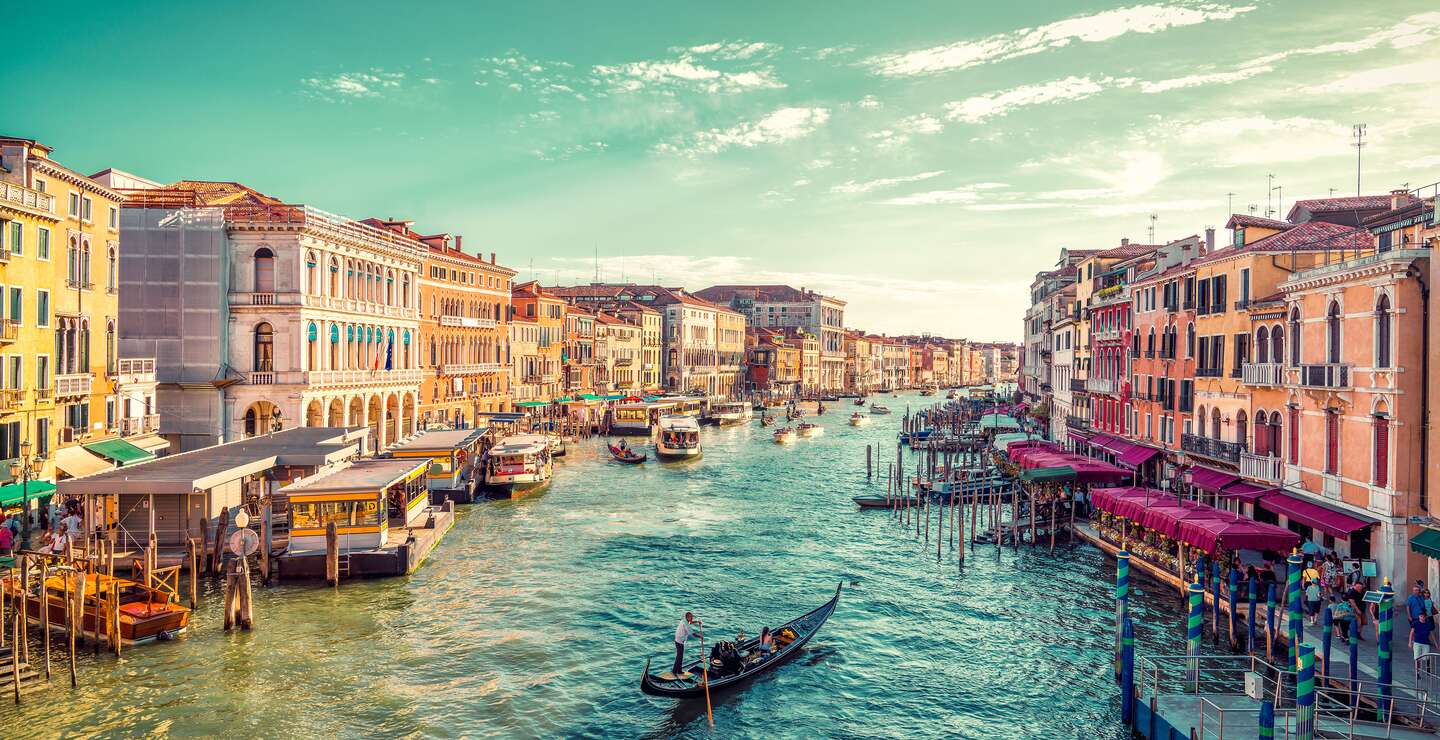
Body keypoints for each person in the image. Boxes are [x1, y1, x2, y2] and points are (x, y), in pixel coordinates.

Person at [673, 612, 702, 676]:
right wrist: (700, 636)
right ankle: (677, 671)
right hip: (679, 641)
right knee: (679, 657)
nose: (692, 618)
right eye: (691, 617)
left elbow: (690, 622)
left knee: (679, 656)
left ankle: (675, 670)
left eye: (692, 617)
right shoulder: (686, 624)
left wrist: (697, 622)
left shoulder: (684, 620)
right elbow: (693, 634)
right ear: (687, 617)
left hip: (677, 640)